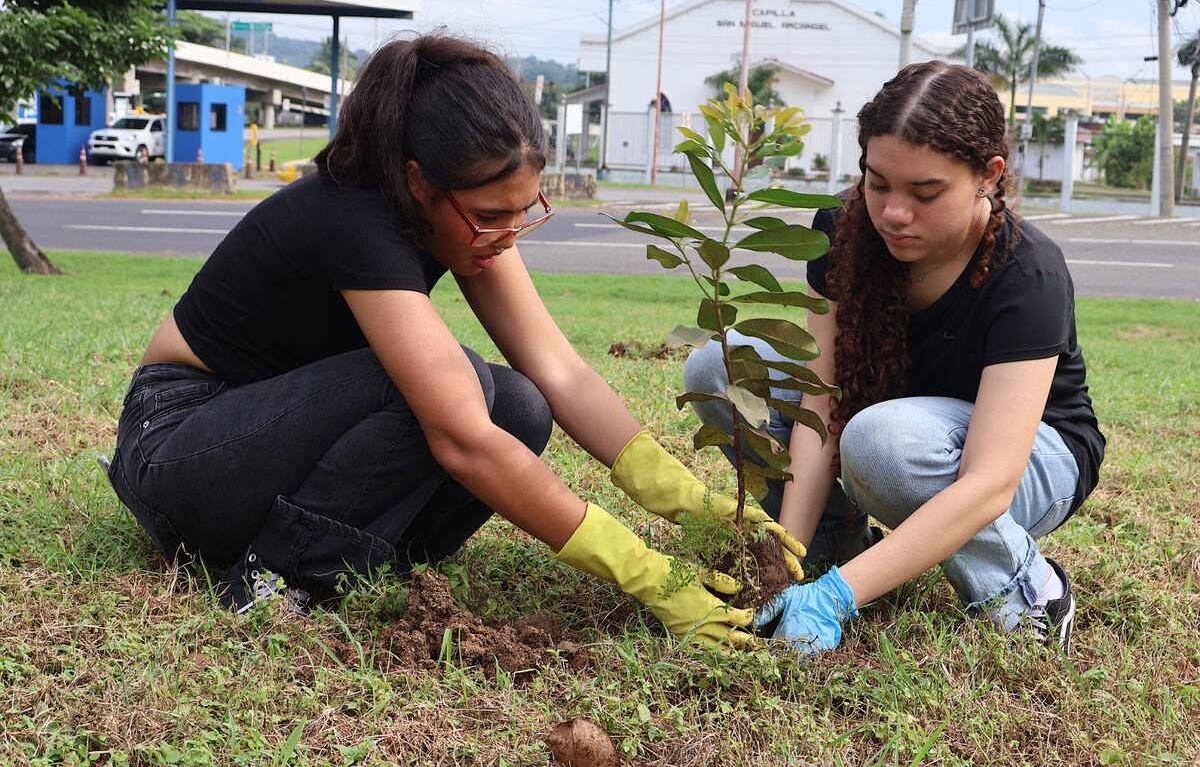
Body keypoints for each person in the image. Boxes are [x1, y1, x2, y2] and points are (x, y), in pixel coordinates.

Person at [103, 33, 804, 648]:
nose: (506, 234)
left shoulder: (458, 219)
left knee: (521, 404)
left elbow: (559, 371)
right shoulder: (353, 217)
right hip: (180, 445)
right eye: (489, 215)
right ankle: (273, 576)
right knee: (438, 390)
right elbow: (459, 434)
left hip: (272, 443)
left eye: (524, 213)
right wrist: (645, 573)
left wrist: (684, 499)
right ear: (418, 182)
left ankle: (373, 562)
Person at [684, 61, 1104, 656]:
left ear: (988, 176)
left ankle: (1026, 590)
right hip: (892, 428)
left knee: (882, 444)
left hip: (1033, 453)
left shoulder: (1027, 272)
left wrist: (838, 598)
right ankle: (837, 549)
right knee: (722, 371)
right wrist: (791, 562)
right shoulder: (844, 229)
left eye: (925, 192)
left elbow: (990, 482)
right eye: (877, 183)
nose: (893, 213)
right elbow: (820, 402)